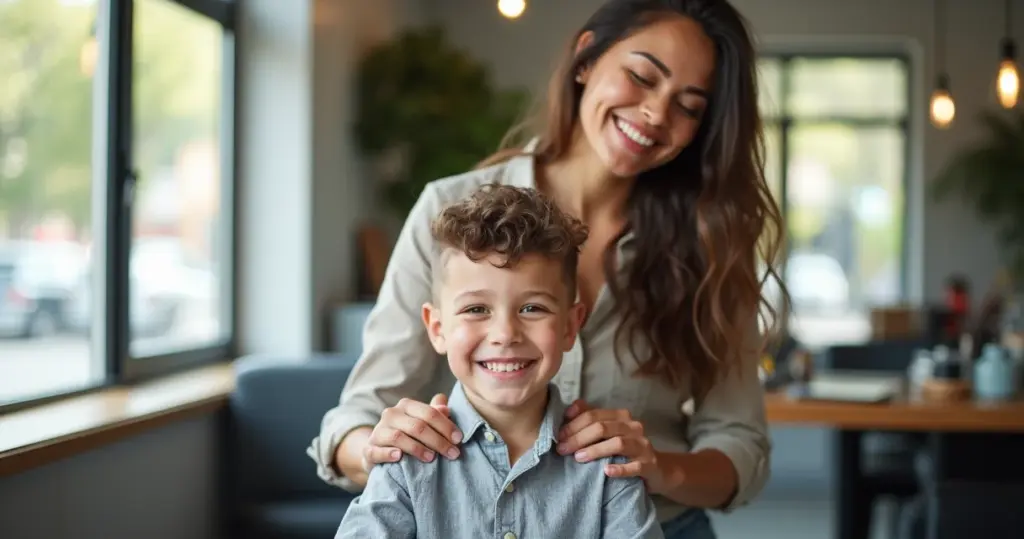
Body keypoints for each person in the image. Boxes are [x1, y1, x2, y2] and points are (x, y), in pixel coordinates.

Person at [308, 0, 785, 536]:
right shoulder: (449, 213)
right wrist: (379, 449)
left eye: (690, 106)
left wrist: (655, 466)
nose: (656, 114)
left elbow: (741, 448)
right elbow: (355, 418)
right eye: (641, 76)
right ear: (586, 58)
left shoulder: (710, 247)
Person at [334, 184, 664, 539]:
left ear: (570, 326)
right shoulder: (406, 459)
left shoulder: (608, 465)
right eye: (477, 309)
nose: (505, 334)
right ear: (438, 328)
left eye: (532, 308)